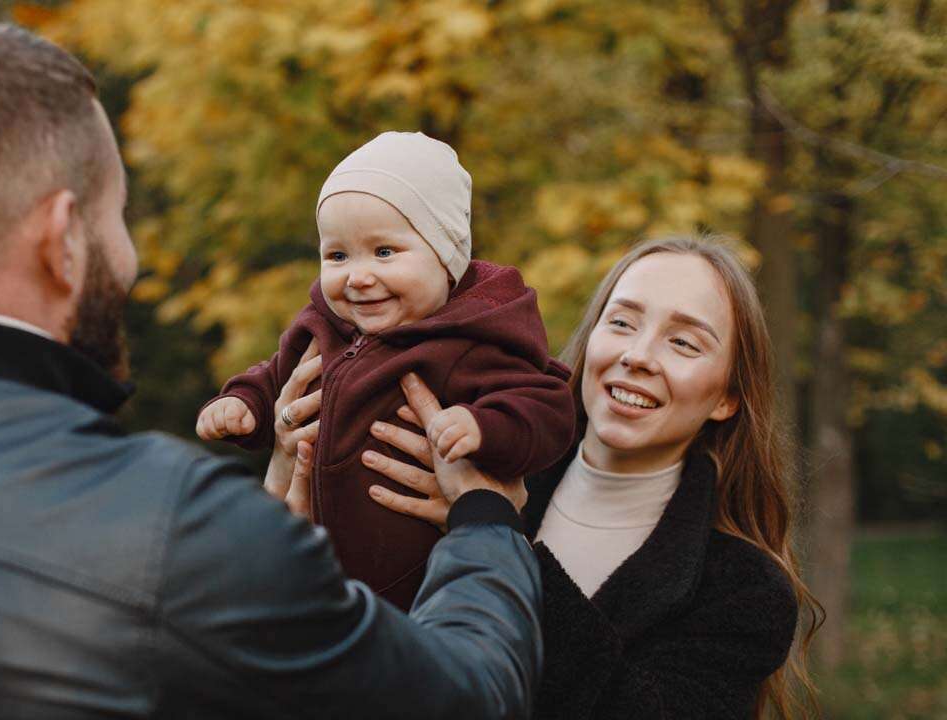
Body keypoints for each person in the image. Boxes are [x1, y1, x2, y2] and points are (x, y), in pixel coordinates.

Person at [0, 23, 546, 719]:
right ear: (61, 239)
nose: (127, 256)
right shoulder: (167, 528)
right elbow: (465, 697)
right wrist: (482, 524)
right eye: (117, 217)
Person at [281, 236, 823, 718]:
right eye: (622, 322)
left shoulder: (745, 591)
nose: (637, 356)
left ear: (727, 396)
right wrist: (293, 475)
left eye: (683, 343)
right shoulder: (454, 454)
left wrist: (490, 529)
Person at [196, 131, 576, 609]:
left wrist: (483, 426)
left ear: (446, 257)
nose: (358, 276)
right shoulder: (324, 327)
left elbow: (547, 409)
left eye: (384, 252)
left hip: (424, 581)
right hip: (320, 579)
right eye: (337, 256)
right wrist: (243, 402)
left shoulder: (473, 340)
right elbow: (277, 375)